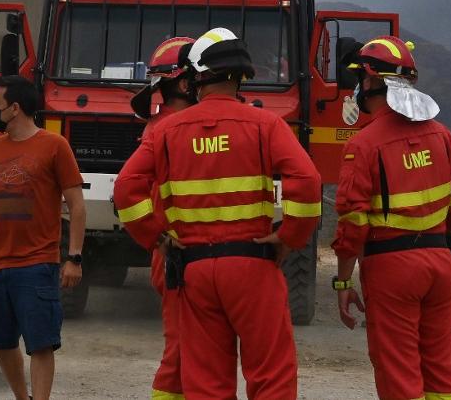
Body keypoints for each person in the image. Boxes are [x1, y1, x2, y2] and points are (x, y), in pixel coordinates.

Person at [156, 27, 321, 400]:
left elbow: (128, 186)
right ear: (240, 76)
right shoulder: (266, 125)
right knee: (271, 376)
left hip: (194, 269)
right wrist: (290, 237)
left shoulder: (168, 130)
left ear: (196, 77)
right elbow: (308, 180)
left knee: (207, 381)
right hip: (254, 265)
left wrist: (157, 237)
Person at [331, 37, 451, 400]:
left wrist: (343, 283)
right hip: (440, 263)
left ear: (371, 81)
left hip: (392, 268)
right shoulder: (442, 136)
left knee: (398, 367)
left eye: (361, 79)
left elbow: (352, 224)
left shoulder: (364, 144)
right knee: (440, 363)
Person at [0, 74, 87, 400]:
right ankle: (22, 397)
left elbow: (77, 204)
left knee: (41, 343)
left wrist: (74, 258)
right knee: (1, 341)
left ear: (15, 108)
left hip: (37, 264)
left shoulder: (54, 146)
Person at [114, 36, 197, 400]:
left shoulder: (160, 126)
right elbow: (128, 190)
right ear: (184, 82)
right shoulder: (178, 128)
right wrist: (160, 240)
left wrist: (155, 240)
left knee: (191, 350)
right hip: (181, 254)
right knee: (181, 352)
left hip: (175, 253)